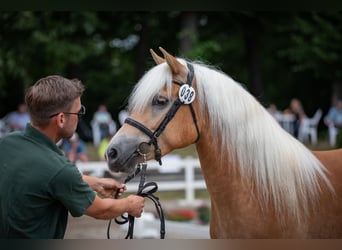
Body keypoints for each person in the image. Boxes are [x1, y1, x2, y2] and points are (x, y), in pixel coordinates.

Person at [0, 75, 144, 238]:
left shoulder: (6, 143)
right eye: (79, 112)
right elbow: (101, 210)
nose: (79, 117)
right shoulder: (58, 168)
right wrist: (130, 204)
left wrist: (94, 182)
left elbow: (38, 177)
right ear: (61, 119)